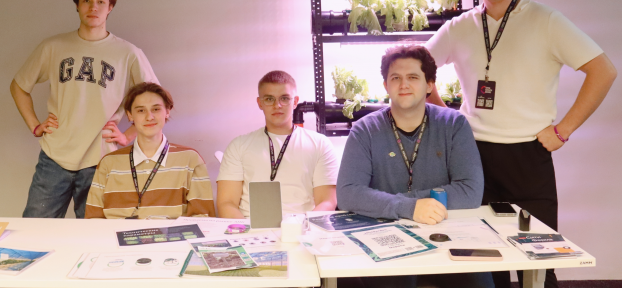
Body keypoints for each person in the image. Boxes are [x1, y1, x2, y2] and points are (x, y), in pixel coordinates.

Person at [425, 0, 617, 288]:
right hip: (473, 154)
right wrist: (449, 119)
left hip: (529, 153)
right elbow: (418, 69)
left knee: (541, 259)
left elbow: (603, 71)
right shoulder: (460, 27)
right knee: (483, 258)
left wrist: (563, 130)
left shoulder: (545, 20)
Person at [337, 45, 490, 288]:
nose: (403, 85)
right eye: (395, 78)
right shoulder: (364, 130)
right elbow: (348, 194)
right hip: (385, 235)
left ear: (429, 85)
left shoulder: (454, 125)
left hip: (447, 233)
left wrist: (407, 204)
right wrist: (409, 207)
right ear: (385, 86)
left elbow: (470, 191)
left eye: (413, 77)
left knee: (479, 281)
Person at [10, 0, 158, 219]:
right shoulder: (53, 47)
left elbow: (154, 100)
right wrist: (35, 125)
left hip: (101, 161)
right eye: (86, 0)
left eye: (101, 1)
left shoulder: (128, 53)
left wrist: (127, 135)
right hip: (54, 158)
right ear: (77, 4)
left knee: (97, 234)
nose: (93, 7)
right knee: (35, 229)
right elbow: (19, 86)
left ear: (110, 7)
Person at [217, 70, 338, 218]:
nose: (277, 105)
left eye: (284, 98)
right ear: (260, 103)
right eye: (269, 99)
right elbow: (227, 203)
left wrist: (301, 227)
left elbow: (327, 202)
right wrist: (245, 230)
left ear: (295, 102)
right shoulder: (238, 146)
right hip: (250, 227)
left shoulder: (320, 144)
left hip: (303, 227)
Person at [85, 83, 215, 219]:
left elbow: (202, 218)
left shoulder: (190, 159)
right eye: (141, 110)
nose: (149, 117)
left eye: (156, 109)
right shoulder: (108, 162)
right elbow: (93, 219)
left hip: (171, 233)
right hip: (116, 233)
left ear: (167, 111)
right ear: (130, 115)